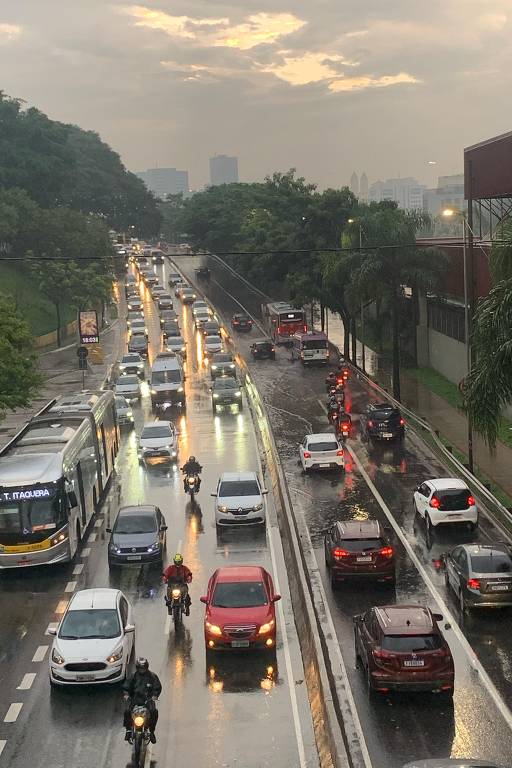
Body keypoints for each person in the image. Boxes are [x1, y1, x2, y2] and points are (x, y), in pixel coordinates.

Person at [123, 657, 162, 744]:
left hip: (148, 699)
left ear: (147, 667)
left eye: (143, 668)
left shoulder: (152, 676)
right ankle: (128, 730)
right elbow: (126, 686)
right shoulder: (133, 676)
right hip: (135, 699)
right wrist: (126, 694)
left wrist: (155, 696)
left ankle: (152, 732)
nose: (142, 670)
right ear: (137, 668)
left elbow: (157, 687)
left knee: (154, 712)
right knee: (127, 711)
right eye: (140, 668)